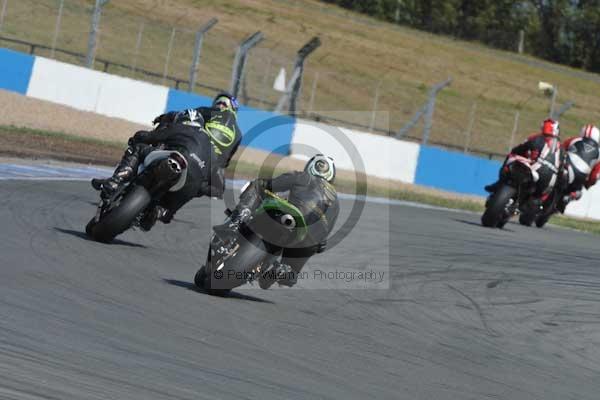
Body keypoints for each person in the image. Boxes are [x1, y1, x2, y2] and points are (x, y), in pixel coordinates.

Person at [91, 93, 242, 229]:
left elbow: (186, 116)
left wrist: (162, 119)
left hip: (185, 146)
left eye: (222, 104)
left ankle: (118, 179)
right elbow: (225, 164)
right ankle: (163, 211)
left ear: (227, 107)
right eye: (219, 103)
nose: (220, 106)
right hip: (208, 167)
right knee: (199, 186)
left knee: (142, 146)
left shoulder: (208, 114)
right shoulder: (239, 135)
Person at [225, 154, 340, 288]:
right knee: (290, 275)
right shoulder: (336, 202)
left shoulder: (303, 176)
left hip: (288, 214)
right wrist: (316, 245)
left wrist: (265, 187)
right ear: (332, 175)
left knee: (258, 185)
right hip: (309, 238)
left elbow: (269, 185)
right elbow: (323, 240)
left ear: (310, 166)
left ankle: (239, 217)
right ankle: (281, 270)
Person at [484, 118, 562, 201]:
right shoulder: (561, 147)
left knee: (511, 157)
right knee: (542, 195)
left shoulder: (536, 138)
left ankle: (499, 183)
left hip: (534, 170)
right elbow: (562, 167)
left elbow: (517, 149)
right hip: (548, 180)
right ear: (556, 130)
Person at [555, 124, 600, 213]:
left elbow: (559, 149)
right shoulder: (599, 152)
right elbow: (595, 175)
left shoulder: (574, 140)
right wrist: (588, 184)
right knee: (579, 190)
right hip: (581, 176)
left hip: (566, 167)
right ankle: (571, 195)